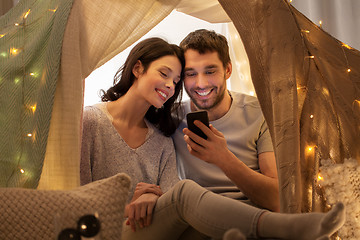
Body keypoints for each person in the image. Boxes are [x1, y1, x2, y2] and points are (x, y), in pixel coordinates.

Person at [80, 37, 346, 240]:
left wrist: (222, 159)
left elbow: (168, 196)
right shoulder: (97, 122)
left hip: (194, 223)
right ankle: (282, 227)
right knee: (186, 195)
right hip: (108, 229)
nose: (174, 86)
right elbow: (72, 194)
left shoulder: (161, 136)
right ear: (138, 69)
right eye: (186, 75)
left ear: (228, 70)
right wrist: (132, 203)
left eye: (175, 80)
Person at [172, 29, 279, 212]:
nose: (201, 84)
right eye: (190, 74)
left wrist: (223, 159)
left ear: (227, 70)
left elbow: (276, 200)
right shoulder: (170, 118)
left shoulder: (261, 114)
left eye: (210, 71)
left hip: (254, 216)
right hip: (196, 217)